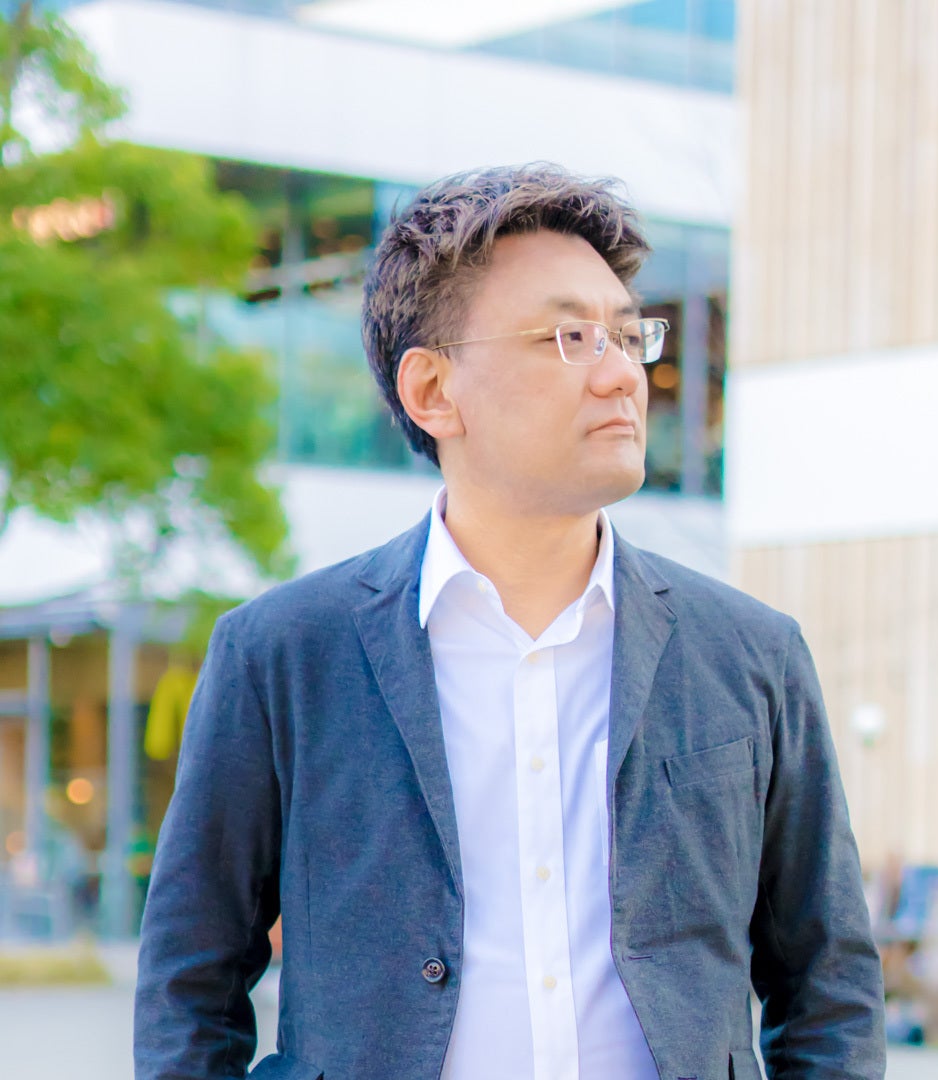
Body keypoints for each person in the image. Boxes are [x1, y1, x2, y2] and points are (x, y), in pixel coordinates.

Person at [134, 164, 885, 1080]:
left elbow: (829, 986)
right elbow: (188, 983)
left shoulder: (752, 653)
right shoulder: (282, 653)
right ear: (432, 391)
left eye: (627, 335)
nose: (624, 374)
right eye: (569, 337)